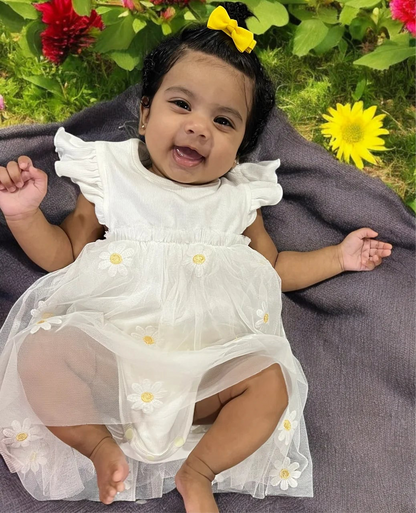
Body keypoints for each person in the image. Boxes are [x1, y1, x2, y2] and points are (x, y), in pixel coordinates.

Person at [0, 3, 392, 511]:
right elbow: (66, 254)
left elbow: (273, 269)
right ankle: (100, 447)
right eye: (181, 104)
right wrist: (24, 215)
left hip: (207, 375)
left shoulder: (238, 198)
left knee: (268, 381)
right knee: (42, 349)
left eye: (223, 120)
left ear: (240, 149)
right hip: (113, 362)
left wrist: (337, 257)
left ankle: (199, 471)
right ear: (144, 113)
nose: (198, 126)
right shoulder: (110, 175)